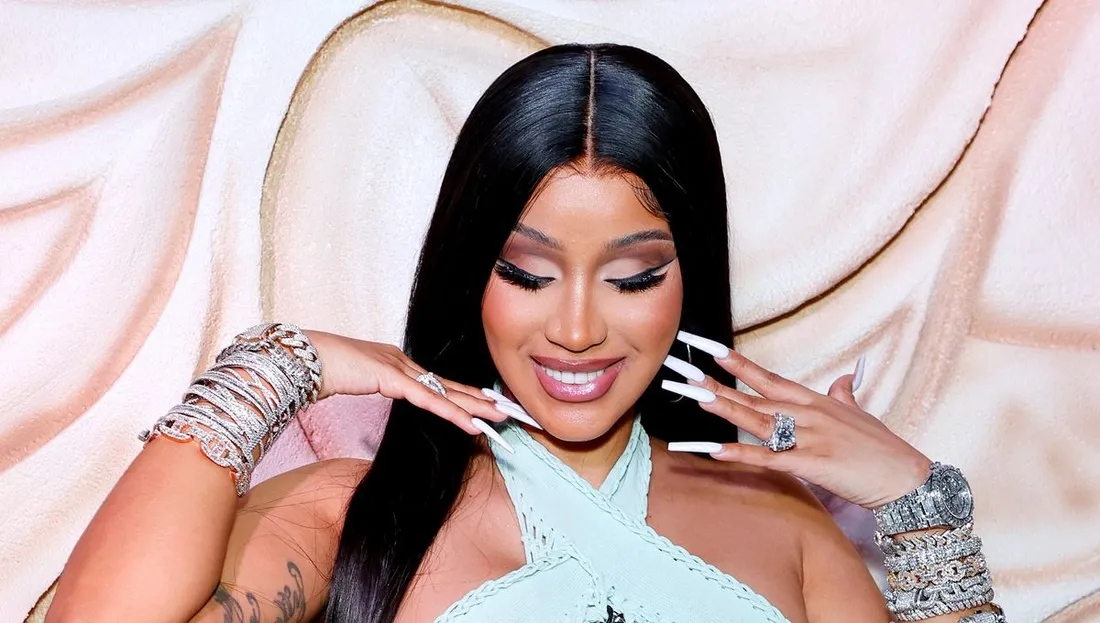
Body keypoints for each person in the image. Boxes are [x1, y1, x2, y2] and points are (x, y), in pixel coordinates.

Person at [45, 44, 1004, 623]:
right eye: (527, 273)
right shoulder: (358, 514)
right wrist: (274, 367)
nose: (577, 328)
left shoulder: (784, 527)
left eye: (633, 277)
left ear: (689, 280)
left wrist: (916, 500)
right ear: (470, 273)